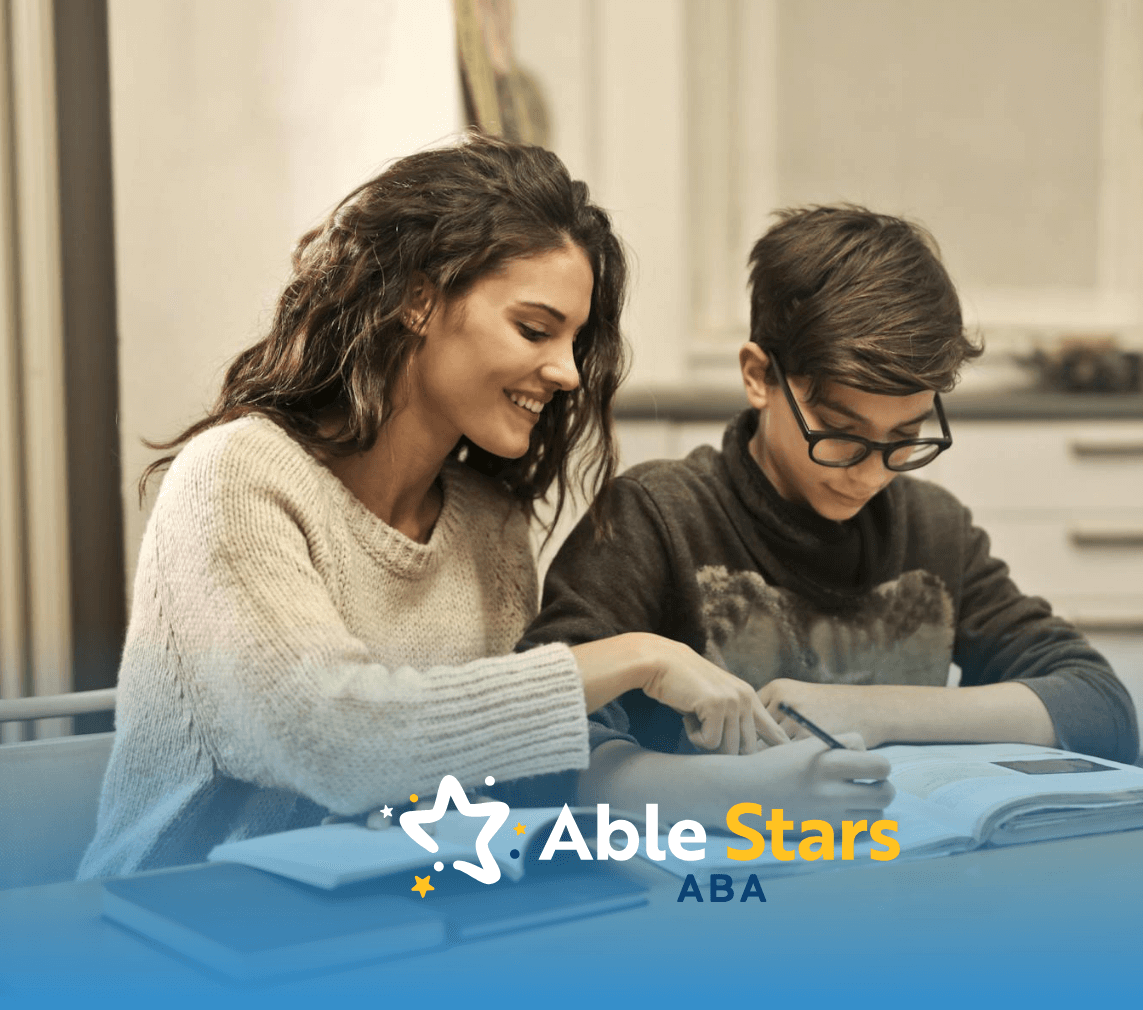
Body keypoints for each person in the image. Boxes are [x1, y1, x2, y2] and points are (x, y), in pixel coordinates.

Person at [80, 137, 809, 879]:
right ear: (418, 300)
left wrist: (736, 792)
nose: (564, 370)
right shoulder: (236, 479)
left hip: (390, 922)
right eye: (534, 328)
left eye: (575, 339)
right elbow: (340, 745)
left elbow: (498, 781)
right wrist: (638, 655)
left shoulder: (489, 525)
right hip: (175, 932)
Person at [525, 205, 1140, 773]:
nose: (872, 474)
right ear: (759, 376)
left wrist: (865, 712)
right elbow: (533, 738)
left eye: (905, 435)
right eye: (841, 435)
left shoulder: (935, 529)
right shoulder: (656, 520)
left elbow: (1099, 707)